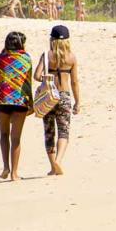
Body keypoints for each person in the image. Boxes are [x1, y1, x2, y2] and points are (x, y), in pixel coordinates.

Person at [34, 25, 82, 176]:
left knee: (49, 132)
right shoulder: (72, 57)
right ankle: (59, 161)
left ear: (52, 39)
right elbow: (74, 82)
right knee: (64, 131)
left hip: (48, 97)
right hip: (64, 96)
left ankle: (52, 166)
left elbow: (36, 76)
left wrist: (47, 78)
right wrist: (78, 102)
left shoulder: (47, 55)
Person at [0, 32, 33, 181]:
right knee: (15, 138)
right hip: (20, 102)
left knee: (3, 134)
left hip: (3, 100)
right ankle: (14, 174)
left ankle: (5, 167)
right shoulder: (26, 59)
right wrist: (31, 103)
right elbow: (27, 83)